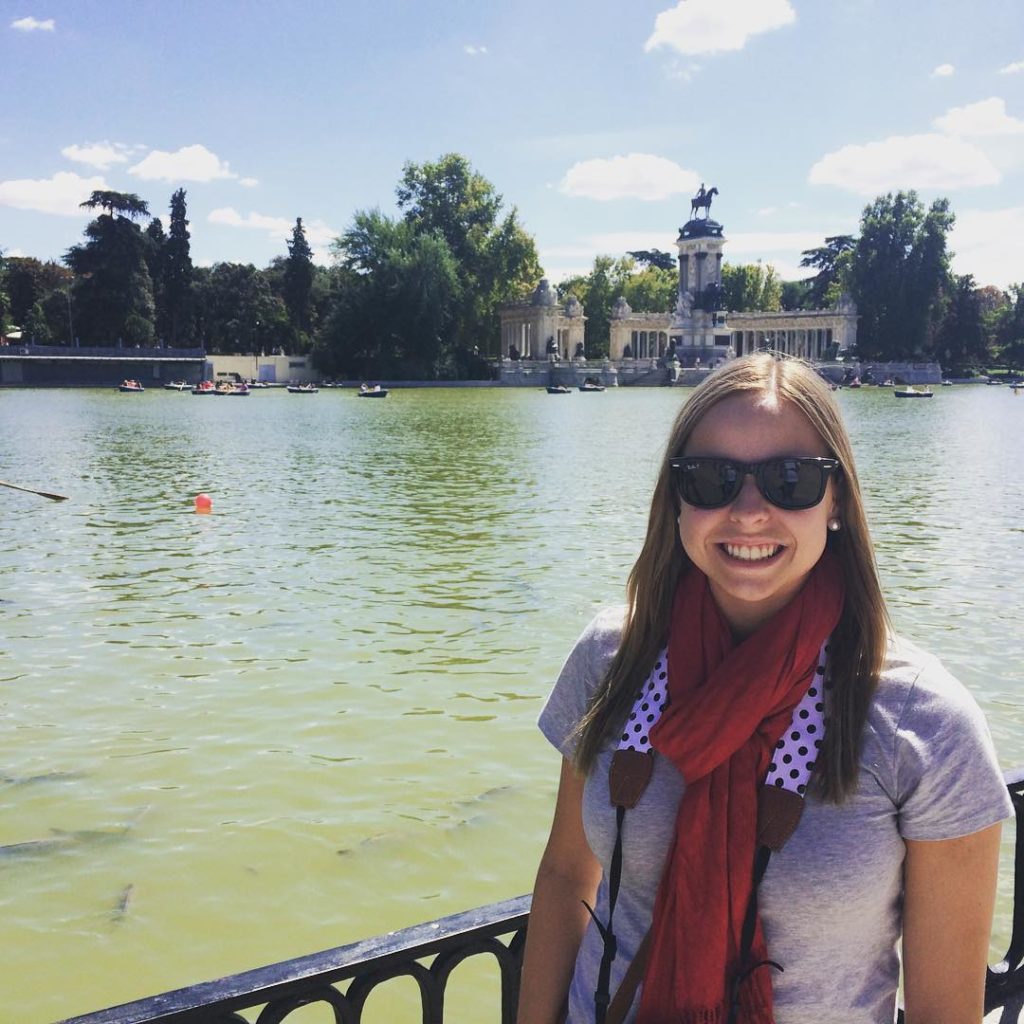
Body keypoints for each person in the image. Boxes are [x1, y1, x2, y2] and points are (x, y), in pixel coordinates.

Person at [518, 353, 1012, 1024]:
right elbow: (564, 877)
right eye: (713, 478)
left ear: (837, 500)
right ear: (677, 499)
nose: (749, 512)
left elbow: (942, 1014)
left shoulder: (924, 725)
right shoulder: (612, 657)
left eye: (792, 479)